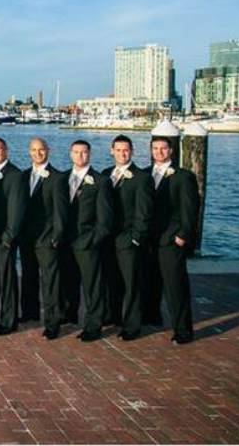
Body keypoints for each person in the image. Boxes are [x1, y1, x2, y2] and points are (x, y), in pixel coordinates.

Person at [147, 136, 199, 345]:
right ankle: (152, 317)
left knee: (175, 287)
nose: (159, 152)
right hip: (149, 239)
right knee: (151, 282)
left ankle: (183, 330)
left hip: (171, 240)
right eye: (155, 148)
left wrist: (183, 236)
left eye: (163, 148)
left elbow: (190, 208)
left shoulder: (183, 176)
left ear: (171, 151)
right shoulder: (144, 174)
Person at [101, 135, 152, 341]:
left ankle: (132, 325)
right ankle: (114, 316)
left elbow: (144, 212)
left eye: (126, 150)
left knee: (131, 283)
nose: (123, 153)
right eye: (119, 149)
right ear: (111, 150)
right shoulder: (105, 174)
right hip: (107, 238)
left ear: (132, 152)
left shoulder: (141, 177)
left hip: (128, 239)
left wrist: (136, 238)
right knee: (111, 280)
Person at [65, 140, 113, 342]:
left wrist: (93, 240)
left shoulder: (100, 181)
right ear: (70, 154)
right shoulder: (62, 178)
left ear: (89, 154)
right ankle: (69, 316)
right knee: (69, 282)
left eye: (84, 153)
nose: (80, 156)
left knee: (92, 286)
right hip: (65, 241)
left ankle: (94, 325)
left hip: (87, 242)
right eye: (76, 152)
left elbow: (105, 219)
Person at [21, 137, 68, 340]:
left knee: (50, 281)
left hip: (47, 239)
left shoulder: (57, 178)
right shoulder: (23, 176)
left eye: (41, 150)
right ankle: (30, 313)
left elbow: (61, 212)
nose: (37, 153)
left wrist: (56, 237)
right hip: (26, 238)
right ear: (29, 152)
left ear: (48, 151)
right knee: (29, 276)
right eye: (34, 150)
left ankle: (52, 322)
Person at [0, 137, 27, 336]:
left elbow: (17, 209)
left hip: (4, 239)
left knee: (7, 280)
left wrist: (9, 236)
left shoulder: (15, 175)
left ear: (6, 151)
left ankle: (9, 320)